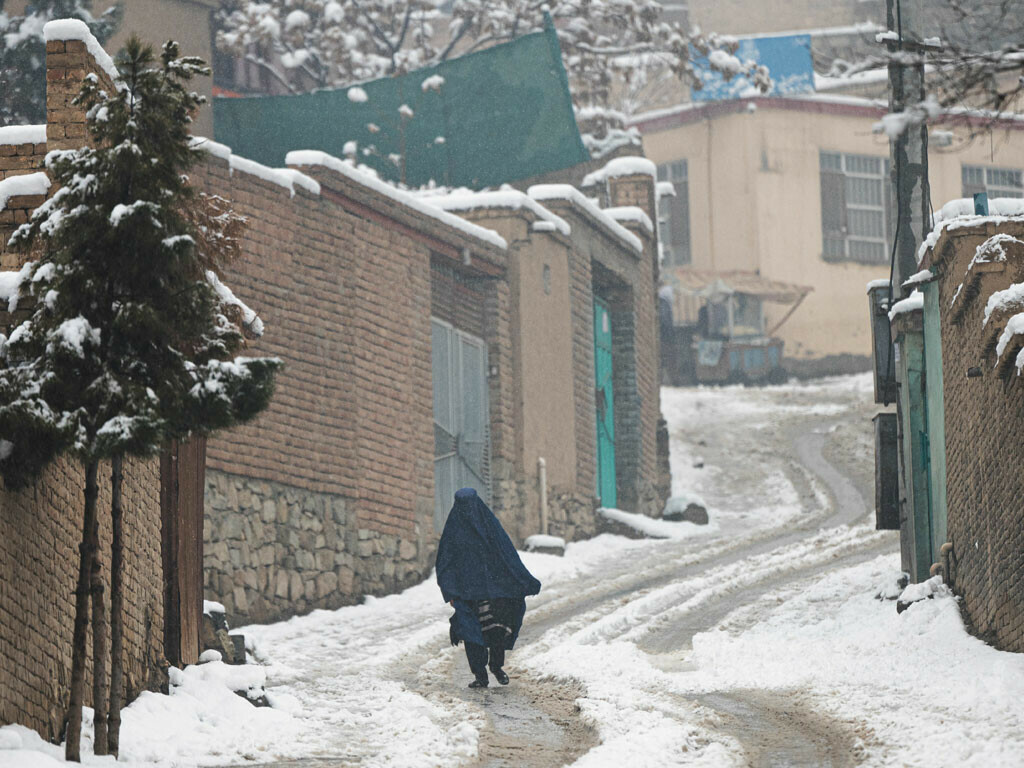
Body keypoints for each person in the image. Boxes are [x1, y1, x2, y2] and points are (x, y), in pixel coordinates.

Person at [435, 487, 541, 689]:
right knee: (471, 634)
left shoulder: (489, 526)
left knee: (497, 630)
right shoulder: (453, 531)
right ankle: (480, 675)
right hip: (467, 593)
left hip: (495, 589)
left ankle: (496, 666)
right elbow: (444, 563)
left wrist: (521, 580)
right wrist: (450, 591)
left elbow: (506, 553)